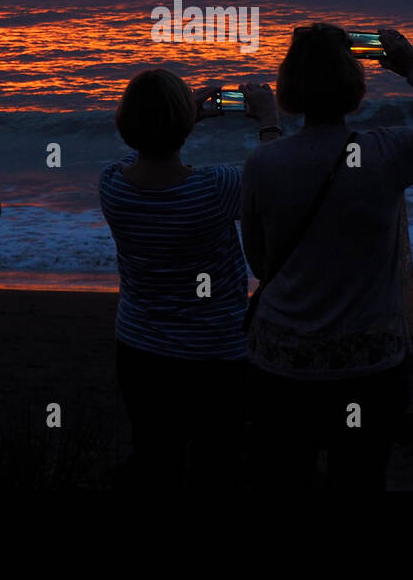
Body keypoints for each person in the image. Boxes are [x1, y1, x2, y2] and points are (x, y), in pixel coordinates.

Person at [242, 24, 413, 492]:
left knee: (282, 483)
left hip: (281, 364)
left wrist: (268, 125)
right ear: (354, 85)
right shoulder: (385, 152)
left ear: (290, 85)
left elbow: (260, 265)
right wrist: (412, 67)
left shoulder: (263, 163)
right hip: (367, 367)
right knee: (360, 480)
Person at [99, 69, 280, 491]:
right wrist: (269, 121)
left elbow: (141, 155)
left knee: (156, 459)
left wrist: (183, 121)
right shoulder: (216, 188)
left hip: (140, 348)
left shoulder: (112, 184)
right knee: (216, 465)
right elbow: (276, 183)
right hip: (215, 354)